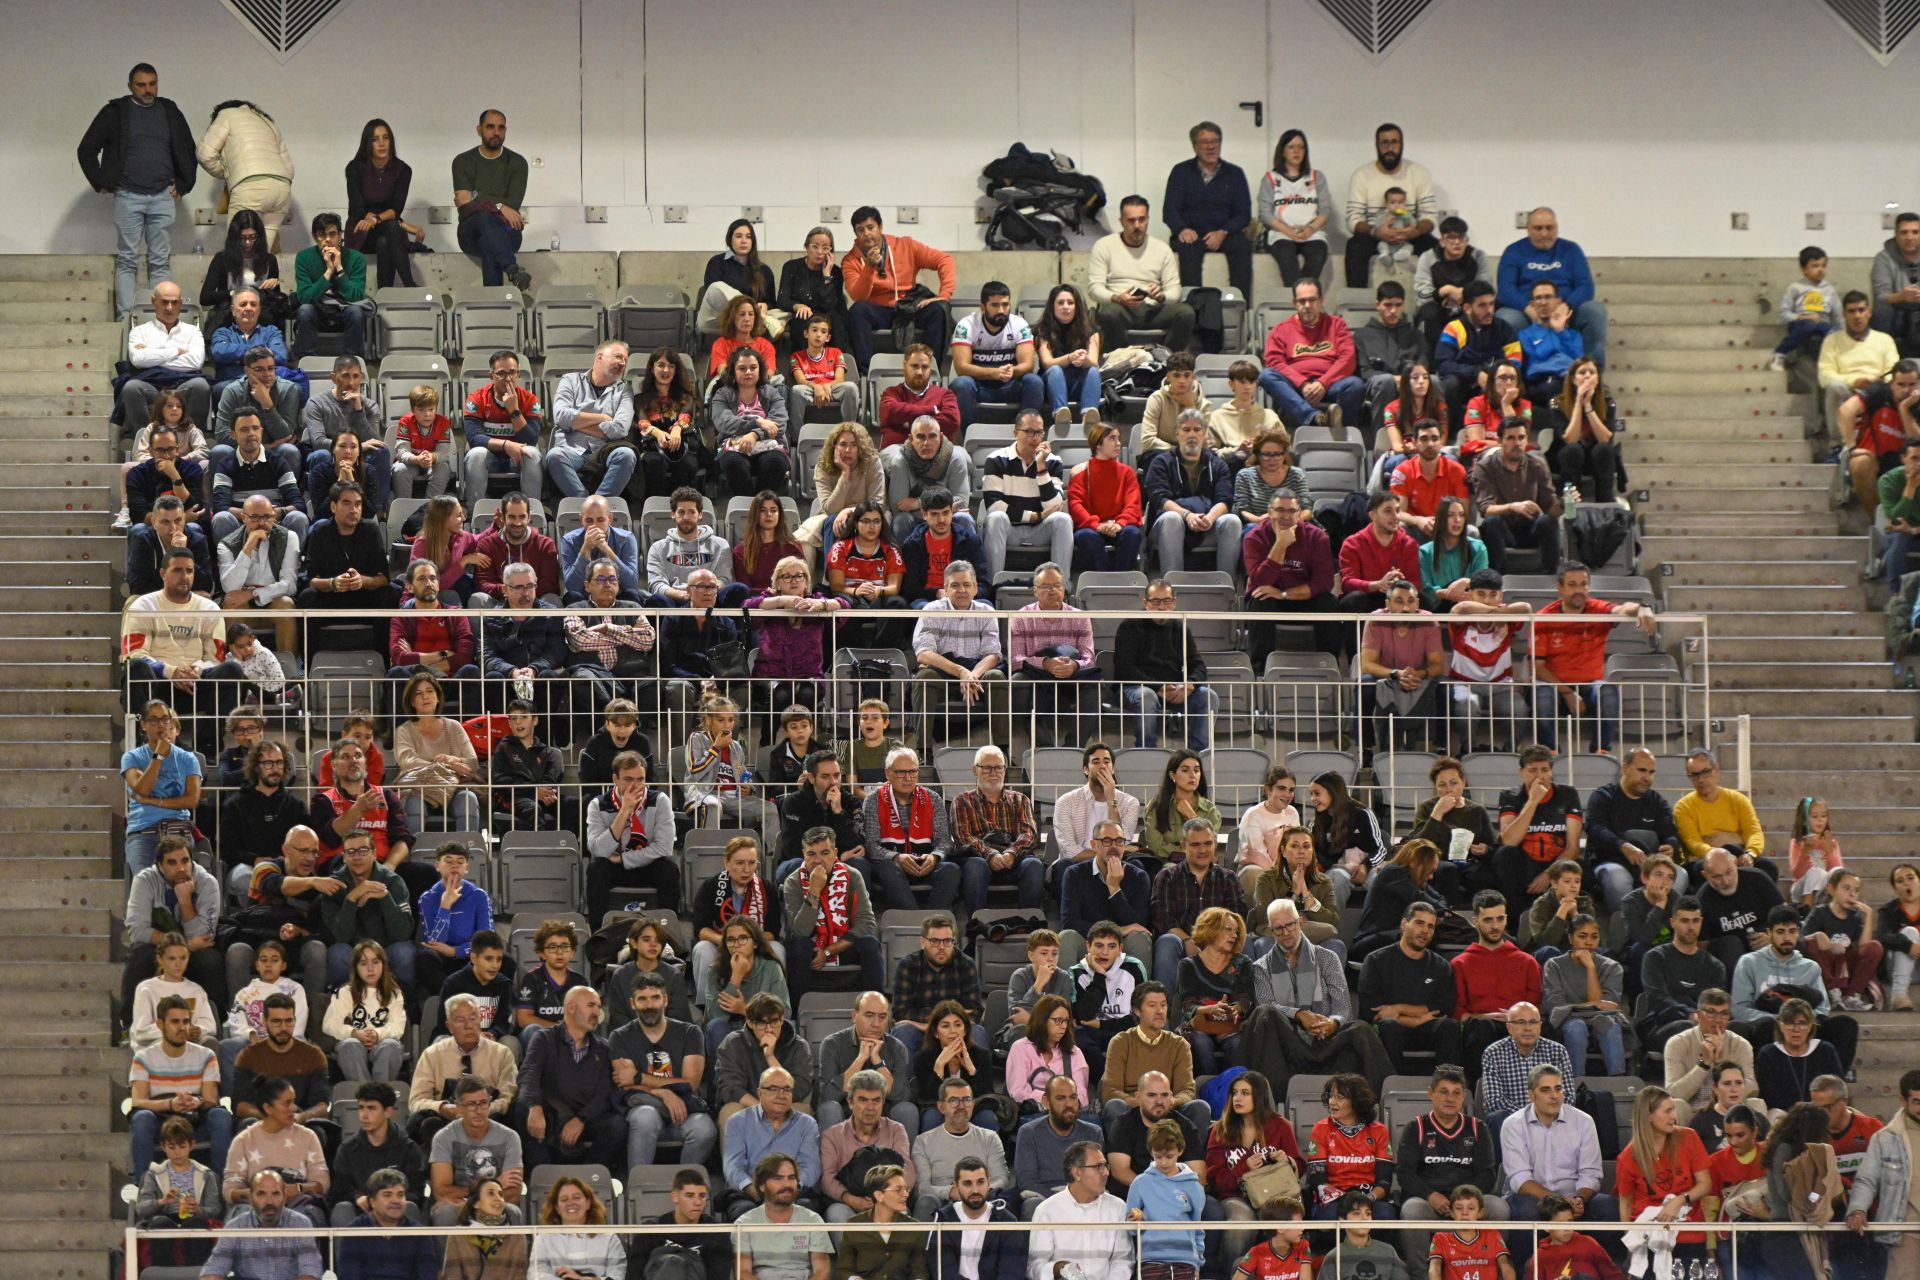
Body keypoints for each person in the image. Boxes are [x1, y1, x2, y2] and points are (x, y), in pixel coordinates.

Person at [80, 63, 197, 318]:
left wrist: (184, 183)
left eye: (152, 83)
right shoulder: (115, 112)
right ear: (130, 86)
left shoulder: (169, 110)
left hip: (163, 196)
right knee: (127, 260)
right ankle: (125, 318)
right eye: (141, 85)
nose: (148, 90)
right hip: (127, 196)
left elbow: (188, 148)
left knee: (160, 261)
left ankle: (160, 318)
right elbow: (87, 149)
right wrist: (101, 181)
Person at [1251, 899, 1393, 1087]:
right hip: (1288, 1042)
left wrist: (1332, 1023)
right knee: (1266, 1014)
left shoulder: (1327, 957)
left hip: (1326, 1039)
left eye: (1290, 925)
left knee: (1360, 1029)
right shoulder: (1261, 967)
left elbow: (1343, 1008)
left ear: (1300, 922)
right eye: (1278, 928)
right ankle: (1275, 1100)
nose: (1286, 933)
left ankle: (1383, 1101)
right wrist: (1300, 1014)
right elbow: (1266, 1005)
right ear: (1270, 931)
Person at [608, 968, 715, 1172]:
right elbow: (627, 1086)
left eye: (655, 998)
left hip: (685, 1109)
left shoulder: (690, 1033)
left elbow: (690, 1084)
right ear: (632, 1004)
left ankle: (684, 1185)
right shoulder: (620, 1037)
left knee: (705, 1129)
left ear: (665, 1000)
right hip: (644, 1108)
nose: (650, 1006)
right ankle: (638, 1189)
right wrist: (665, 1092)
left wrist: (640, 1077)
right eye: (642, 999)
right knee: (645, 1117)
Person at [518, 986, 623, 1171]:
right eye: (591, 1005)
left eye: (599, 1007)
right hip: (551, 1116)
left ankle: (590, 1178)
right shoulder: (544, 1038)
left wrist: (581, 1119)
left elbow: (606, 1093)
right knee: (522, 1109)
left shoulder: (604, 1048)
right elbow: (528, 1075)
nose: (597, 1012)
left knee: (616, 1125)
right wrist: (534, 1107)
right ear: (570, 1008)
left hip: (586, 1117)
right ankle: (542, 1177)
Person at [130, 995, 234, 1181]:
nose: (182, 1028)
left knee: (221, 1116)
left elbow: (210, 1099)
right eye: (175, 1022)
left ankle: (221, 1186)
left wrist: (196, 1101)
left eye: (186, 1021)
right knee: (142, 1118)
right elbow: (138, 1101)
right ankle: (144, 1188)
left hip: (195, 1119)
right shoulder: (143, 1058)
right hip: (161, 1121)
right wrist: (170, 1104)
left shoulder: (206, 1055)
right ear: (160, 1024)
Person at [841, 205, 956, 373]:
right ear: (856, 234)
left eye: (870, 227)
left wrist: (944, 294)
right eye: (860, 230)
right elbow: (858, 295)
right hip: (877, 309)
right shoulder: (850, 260)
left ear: (880, 227)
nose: (866, 233)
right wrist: (869, 268)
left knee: (939, 310)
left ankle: (931, 370)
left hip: (909, 304)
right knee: (858, 310)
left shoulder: (905, 245)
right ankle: (864, 373)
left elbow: (945, 260)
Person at [1357, 902, 1465, 1076]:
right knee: (1389, 1025)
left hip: (1425, 1029)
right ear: (1403, 924)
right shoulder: (1376, 961)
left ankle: (1449, 1085)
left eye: (1431, 926)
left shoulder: (1441, 966)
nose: (1425, 931)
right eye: (1419, 923)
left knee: (1450, 1027)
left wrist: (1398, 1009)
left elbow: (1444, 1007)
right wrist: (1415, 1019)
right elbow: (1374, 1012)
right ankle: (1388, 1087)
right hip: (1390, 1031)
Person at [1500, 1064, 1617, 1223]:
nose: (1554, 1095)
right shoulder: (1513, 1125)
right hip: (1533, 1198)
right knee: (1526, 1211)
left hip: (1574, 1197)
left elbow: (1590, 1173)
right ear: (1531, 1096)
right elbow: (1521, 1179)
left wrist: (1578, 1199)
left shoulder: (1583, 1121)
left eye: (1558, 1089)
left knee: (1607, 1206)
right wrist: (1559, 1202)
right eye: (1545, 1090)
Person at [1496, 209, 1607, 367]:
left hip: (1565, 311)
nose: (1544, 233)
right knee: (1506, 318)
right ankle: (1514, 377)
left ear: (1557, 228)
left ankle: (1593, 374)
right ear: (1528, 228)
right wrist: (1528, 309)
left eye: (1549, 228)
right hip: (1528, 312)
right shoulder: (1514, 251)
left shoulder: (1571, 250)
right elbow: (1505, 290)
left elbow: (1585, 286)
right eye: (1538, 228)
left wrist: (1566, 306)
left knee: (1595, 310)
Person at [1115, 579, 1216, 751]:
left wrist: (1189, 684)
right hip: (1135, 688)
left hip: (1173, 690)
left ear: (1174, 603)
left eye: (1167, 601)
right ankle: (1147, 752)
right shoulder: (1130, 626)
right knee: (1147, 696)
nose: (1161, 607)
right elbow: (1125, 669)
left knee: (1208, 696)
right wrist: (1158, 687)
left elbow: (1198, 665)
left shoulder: (1181, 627)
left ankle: (1197, 756)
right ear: (1145, 603)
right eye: (1155, 601)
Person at [1244, 488, 1340, 668]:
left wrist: (1283, 594)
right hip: (1270, 600)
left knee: (1329, 603)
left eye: (1291, 511)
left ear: (1299, 514)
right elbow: (1259, 581)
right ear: (1270, 512)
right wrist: (1280, 544)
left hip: (1302, 599)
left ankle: (1329, 666)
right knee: (1259, 601)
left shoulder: (1317, 537)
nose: (1286, 516)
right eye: (1280, 510)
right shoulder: (1254, 537)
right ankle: (1259, 671)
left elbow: (1324, 582)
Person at [1089, 194, 1196, 354]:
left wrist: (1161, 296)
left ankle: (1168, 360)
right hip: (1121, 308)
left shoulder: (1162, 249)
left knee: (1186, 312)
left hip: (1154, 309)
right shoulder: (1104, 246)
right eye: (1131, 221)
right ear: (1121, 221)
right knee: (1107, 313)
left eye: (1142, 219)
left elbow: (1175, 290)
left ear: (1148, 219)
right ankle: (1122, 360)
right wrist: (1117, 298)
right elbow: (1094, 288)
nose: (1137, 225)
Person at [1008, 562, 1097, 748]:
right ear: (1035, 590)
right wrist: (1046, 663)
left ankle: (1074, 747)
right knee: (1018, 681)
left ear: (1064, 588)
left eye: (1057, 585)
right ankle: (1044, 747)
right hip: (1036, 674)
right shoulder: (1021, 617)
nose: (1052, 590)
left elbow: (1088, 657)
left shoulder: (1079, 616)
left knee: (1093, 686)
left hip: (1070, 674)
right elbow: (1015, 659)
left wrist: (1074, 665)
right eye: (1046, 586)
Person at [1161, 119, 1254, 296]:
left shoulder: (1235, 173)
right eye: (1204, 142)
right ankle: (1193, 310)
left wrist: (1223, 231)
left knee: (1242, 246)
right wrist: (1181, 229)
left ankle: (1241, 308)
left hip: (1225, 233)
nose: (1210, 146)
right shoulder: (1180, 172)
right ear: (1194, 146)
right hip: (1191, 233)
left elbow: (1244, 214)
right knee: (1188, 249)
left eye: (1215, 141)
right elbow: (1169, 211)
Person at [1260, 278, 1365, 429]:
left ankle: (1340, 428)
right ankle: (1313, 417)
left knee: (1356, 385)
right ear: (1294, 303)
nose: (1307, 306)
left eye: (1312, 300)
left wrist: (1323, 382)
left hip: (1331, 385)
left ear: (1321, 301)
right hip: (1296, 387)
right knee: (1266, 375)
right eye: (1302, 301)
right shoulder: (1281, 330)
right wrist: (1302, 383)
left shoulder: (1336, 325)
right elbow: (1274, 361)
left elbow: (1347, 359)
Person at [1845, 1067, 1920, 1275]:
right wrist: (1857, 1209)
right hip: (1905, 1230)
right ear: (1903, 1101)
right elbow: (1867, 1179)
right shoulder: (1884, 1138)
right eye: (1917, 1101)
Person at [1343, 123, 1437, 289]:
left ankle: (1434, 304)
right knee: (1355, 245)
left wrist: (1414, 231)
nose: (1390, 147)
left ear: (1402, 144)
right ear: (1377, 146)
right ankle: (1356, 305)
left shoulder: (1419, 173)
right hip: (1375, 234)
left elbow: (1429, 217)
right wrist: (1376, 231)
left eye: (1395, 142)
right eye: (1384, 143)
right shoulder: (1361, 175)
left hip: (1411, 232)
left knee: (1435, 247)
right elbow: (1353, 219)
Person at [1100, 994, 1212, 1131]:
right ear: (1137, 1010)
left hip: (1167, 1110)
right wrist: (1139, 1102)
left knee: (1200, 1107)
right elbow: (1110, 1090)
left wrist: (1171, 1101)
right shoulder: (1121, 1042)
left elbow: (1187, 1091)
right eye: (1152, 1005)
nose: (1160, 1011)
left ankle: (1191, 1153)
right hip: (1133, 1109)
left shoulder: (1179, 1044)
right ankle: (1120, 1152)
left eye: (1163, 1005)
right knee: (1114, 1106)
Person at [427, 1073, 525, 1226]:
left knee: (512, 1211)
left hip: (490, 1204)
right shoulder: (444, 1138)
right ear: (458, 1106)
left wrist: (471, 1201)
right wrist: (493, 1186)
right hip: (460, 1205)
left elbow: (512, 1194)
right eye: (471, 1104)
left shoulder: (509, 1137)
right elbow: (441, 1191)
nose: (478, 1110)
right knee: (445, 1213)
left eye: (483, 1103)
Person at [1359, 580, 1446, 753]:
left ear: (1418, 603)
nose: (1406, 608)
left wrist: (1418, 674)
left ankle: (1440, 746)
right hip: (1385, 676)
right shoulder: (1375, 619)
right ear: (1387, 604)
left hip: (1418, 677)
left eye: (1411, 601)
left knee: (1443, 688)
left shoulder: (1428, 621)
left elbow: (1438, 665)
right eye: (1399, 601)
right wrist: (1395, 674)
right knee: (1365, 686)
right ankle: (1365, 747)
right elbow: (1367, 665)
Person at [1028, 1139, 1132, 1280]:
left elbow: (1123, 1260)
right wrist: (1057, 1269)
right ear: (1077, 1173)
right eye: (1098, 1166)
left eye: (1105, 1166)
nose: (1106, 1173)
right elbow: (1036, 1266)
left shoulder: (1118, 1207)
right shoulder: (1047, 1210)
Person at [546, 340, 637, 501]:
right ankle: (585, 502)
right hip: (571, 450)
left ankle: (600, 502)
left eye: (625, 360)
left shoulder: (624, 391)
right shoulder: (570, 381)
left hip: (604, 451)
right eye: (618, 357)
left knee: (626, 454)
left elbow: (620, 429)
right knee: (554, 455)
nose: (622, 363)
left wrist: (575, 424)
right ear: (600, 357)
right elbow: (560, 416)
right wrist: (603, 418)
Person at [911, 1075, 1011, 1220]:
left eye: (966, 1100)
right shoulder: (923, 1141)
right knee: (926, 1202)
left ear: (973, 1104)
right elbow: (922, 1188)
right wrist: (951, 1192)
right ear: (941, 1106)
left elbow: (1002, 1178)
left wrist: (976, 1191)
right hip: (943, 1201)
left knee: (1002, 1203)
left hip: (981, 1198)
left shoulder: (989, 1138)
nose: (961, 1106)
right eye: (953, 1100)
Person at [816, 1040, 913, 1189]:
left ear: (883, 1102)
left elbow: (907, 1172)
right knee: (837, 1213)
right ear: (850, 1102)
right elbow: (828, 1178)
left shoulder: (896, 1130)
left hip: (888, 1198)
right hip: (847, 1200)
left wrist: (887, 1198)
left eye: (876, 1101)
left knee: (902, 1212)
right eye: (863, 1100)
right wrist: (848, 1198)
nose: (870, 1107)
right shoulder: (832, 1135)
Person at [328, 1083, 427, 1228]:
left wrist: (387, 1200)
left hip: (396, 1208)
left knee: (410, 1206)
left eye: (371, 1108)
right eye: (361, 1108)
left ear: (388, 1111)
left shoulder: (408, 1148)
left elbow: (415, 1192)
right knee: (342, 1209)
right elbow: (339, 1191)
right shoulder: (347, 1148)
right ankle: (348, 1251)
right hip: (361, 1211)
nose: (364, 1115)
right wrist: (357, 1198)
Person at [452, 110, 529, 290]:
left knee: (489, 238)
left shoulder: (517, 163)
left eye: (501, 127)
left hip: (508, 233)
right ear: (479, 130)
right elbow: (465, 207)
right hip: (470, 232)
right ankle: (511, 268)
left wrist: (478, 198)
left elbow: (513, 205)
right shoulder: (462, 161)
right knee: (484, 218)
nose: (496, 132)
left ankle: (495, 302)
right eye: (490, 127)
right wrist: (499, 205)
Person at [119, 280, 212, 430]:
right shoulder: (139, 331)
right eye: (164, 302)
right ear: (153, 301)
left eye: (174, 303)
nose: (169, 308)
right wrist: (176, 351)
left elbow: (195, 362)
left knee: (201, 385)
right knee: (131, 387)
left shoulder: (193, 331)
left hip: (183, 385)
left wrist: (151, 352)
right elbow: (138, 360)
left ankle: (191, 438)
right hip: (151, 385)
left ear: (181, 303)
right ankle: (146, 439)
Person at [1060, 827, 1155, 971]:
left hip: (1121, 945)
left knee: (1140, 938)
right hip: (1088, 942)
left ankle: (1140, 993)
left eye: (1119, 841)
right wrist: (1117, 930)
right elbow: (1070, 922)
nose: (1114, 847)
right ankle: (1064, 993)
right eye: (1107, 841)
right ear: (1094, 845)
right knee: (1066, 937)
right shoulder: (1074, 874)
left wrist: (1114, 888)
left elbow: (1138, 923)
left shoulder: (1138, 876)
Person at [950, 281, 1044, 427]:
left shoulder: (1019, 324)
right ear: (982, 307)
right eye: (995, 305)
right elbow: (961, 367)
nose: (1001, 310)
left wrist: (1012, 371)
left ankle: (1025, 432)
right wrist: (994, 373)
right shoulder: (966, 325)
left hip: (1010, 384)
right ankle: (970, 434)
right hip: (979, 386)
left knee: (1034, 381)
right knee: (961, 384)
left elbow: (1028, 364)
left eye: (1005, 305)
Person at [1303, 1074, 1396, 1220]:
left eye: (1340, 1097)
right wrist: (1346, 1201)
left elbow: (1384, 1181)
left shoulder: (1378, 1130)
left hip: (1369, 1197)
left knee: (1385, 1214)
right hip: (1334, 1199)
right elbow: (1317, 1178)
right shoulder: (1321, 1129)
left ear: (1356, 1101)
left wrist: (1368, 1199)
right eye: (1330, 1096)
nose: (1332, 1102)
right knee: (1329, 1216)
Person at [200, 1170, 323, 1280]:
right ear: (251, 1196)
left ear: (285, 1196)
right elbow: (213, 1270)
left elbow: (310, 1272)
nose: (269, 1201)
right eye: (261, 1194)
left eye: (275, 1194)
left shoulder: (301, 1224)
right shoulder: (235, 1227)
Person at [1817, 291, 1898, 457]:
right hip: (1847, 390)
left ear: (1869, 312)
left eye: (1861, 310)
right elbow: (1824, 375)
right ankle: (1836, 446)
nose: (1857, 316)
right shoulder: (1832, 341)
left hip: (1878, 391)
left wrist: (1877, 384)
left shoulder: (1884, 340)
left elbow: (1894, 370)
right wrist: (1854, 381)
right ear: (1844, 315)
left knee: (1901, 385)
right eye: (1852, 311)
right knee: (1832, 387)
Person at [1126, 1117, 1210, 1277]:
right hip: (1150, 1259)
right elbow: (1130, 1227)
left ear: (1180, 1150)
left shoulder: (1194, 1186)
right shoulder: (1140, 1183)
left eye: (1169, 1156)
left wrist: (1198, 1262)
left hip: (1185, 1260)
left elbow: (1197, 1227)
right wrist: (1135, 1221)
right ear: (1151, 1152)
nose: (1164, 1162)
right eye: (1158, 1156)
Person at [1675, 758, 1774, 892]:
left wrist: (1750, 853)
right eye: (1694, 775)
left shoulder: (1738, 800)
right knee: (1701, 870)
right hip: (1706, 857)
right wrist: (1716, 853)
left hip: (1739, 854)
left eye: (1705, 772)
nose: (1701, 780)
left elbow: (1754, 831)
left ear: (1716, 769)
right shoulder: (1683, 807)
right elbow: (1693, 841)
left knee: (1767, 867)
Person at [1475, 1001, 1573, 1134]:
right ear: (1509, 1027)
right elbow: (1494, 1101)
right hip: (1512, 1124)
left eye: (1533, 1022)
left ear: (1540, 1026)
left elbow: (1568, 1097)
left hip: (1550, 1120)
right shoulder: (1493, 1052)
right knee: (1497, 1117)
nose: (1528, 1028)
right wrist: (1529, 1118)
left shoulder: (1557, 1051)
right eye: (1521, 1022)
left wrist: (1542, 1117)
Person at [460, 349, 544, 504]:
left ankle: (533, 512)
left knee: (531, 452)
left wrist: (514, 411)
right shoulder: (477, 398)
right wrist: (506, 445)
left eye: (512, 372)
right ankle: (473, 512)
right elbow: (473, 438)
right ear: (491, 376)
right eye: (501, 373)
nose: (508, 378)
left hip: (517, 459)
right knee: (476, 454)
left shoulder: (530, 400)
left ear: (518, 374)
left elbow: (530, 440)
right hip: (489, 458)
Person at [703, 918, 791, 1061]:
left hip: (763, 1029)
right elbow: (714, 1017)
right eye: (731, 940)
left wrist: (744, 1009)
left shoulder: (771, 968)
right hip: (728, 1032)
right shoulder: (715, 971)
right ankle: (723, 1082)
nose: (736, 944)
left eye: (743, 938)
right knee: (716, 1026)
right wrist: (736, 977)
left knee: (787, 1027)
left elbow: (785, 1013)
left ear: (755, 943)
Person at [1840, 359, 1920, 515]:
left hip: (1913, 462)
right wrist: (1851, 447)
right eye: (1901, 385)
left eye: (1912, 385)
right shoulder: (1878, 392)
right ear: (1891, 383)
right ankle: (1877, 521)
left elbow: (1916, 443)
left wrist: (1904, 409)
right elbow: (1846, 410)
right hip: (1878, 460)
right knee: (1859, 463)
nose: (1906, 390)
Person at [323, 940, 408, 1082]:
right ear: (355, 968)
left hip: (381, 1043)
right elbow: (329, 1024)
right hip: (354, 1043)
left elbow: (397, 1027)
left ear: (383, 965)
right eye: (363, 963)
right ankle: (364, 1095)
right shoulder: (346, 992)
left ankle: (381, 1095)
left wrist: (377, 1034)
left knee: (391, 1046)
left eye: (375, 962)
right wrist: (354, 1033)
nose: (370, 968)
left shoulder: (395, 994)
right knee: (350, 1045)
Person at [1259, 128, 1334, 289]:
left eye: (1301, 147)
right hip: (1281, 233)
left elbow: (1325, 210)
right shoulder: (1271, 178)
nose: (1296, 151)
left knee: (1318, 253)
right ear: (1283, 151)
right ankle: (1296, 301)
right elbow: (1265, 214)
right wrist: (1288, 231)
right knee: (1286, 256)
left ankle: (1306, 296)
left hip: (1311, 232)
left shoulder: (1316, 177)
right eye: (1291, 147)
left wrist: (1310, 228)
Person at [1068, 419, 1146, 573]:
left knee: (1132, 533)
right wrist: (1097, 525)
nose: (1118, 443)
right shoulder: (1080, 473)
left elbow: (1133, 504)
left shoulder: (1127, 473)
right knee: (1085, 536)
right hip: (1093, 527)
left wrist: (1120, 523)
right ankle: (1102, 579)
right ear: (1098, 444)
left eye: (1118, 438)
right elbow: (1076, 505)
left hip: (1120, 526)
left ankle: (1120, 578)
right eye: (1112, 438)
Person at [734, 1152, 832, 1275]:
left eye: (791, 1178)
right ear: (762, 1186)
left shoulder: (813, 1220)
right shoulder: (744, 1224)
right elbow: (743, 1273)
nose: (787, 1184)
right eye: (778, 1178)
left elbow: (822, 1271)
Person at [932, 1155, 1028, 1279]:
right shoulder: (943, 1220)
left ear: (989, 1183)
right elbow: (943, 1271)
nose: (975, 1190)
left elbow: (1012, 1272)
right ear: (956, 1186)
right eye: (967, 1184)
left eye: (980, 1182)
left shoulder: (1007, 1222)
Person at [291, 212, 371, 357]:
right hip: (318, 309)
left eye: (332, 234)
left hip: (344, 309)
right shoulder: (304, 257)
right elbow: (304, 297)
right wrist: (328, 271)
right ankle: (308, 360)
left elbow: (356, 296)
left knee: (356, 312)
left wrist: (339, 268)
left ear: (340, 236)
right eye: (322, 235)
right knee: (305, 310)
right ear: (315, 237)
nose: (327, 239)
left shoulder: (356, 258)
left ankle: (352, 361)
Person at [1803, 870, 1883, 1012]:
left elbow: (1864, 947)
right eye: (1846, 889)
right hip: (1827, 966)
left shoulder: (1855, 916)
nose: (1852, 894)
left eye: (1856, 890)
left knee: (1874, 947)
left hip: (1846, 966)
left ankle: (1851, 995)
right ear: (1831, 889)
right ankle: (1833, 993)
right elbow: (1802, 939)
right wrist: (1819, 936)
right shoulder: (1820, 912)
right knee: (1812, 940)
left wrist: (1869, 915)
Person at [633, 345, 709, 495]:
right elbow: (642, 422)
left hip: (680, 441)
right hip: (652, 443)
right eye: (661, 365)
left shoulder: (685, 396)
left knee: (689, 464)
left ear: (676, 370)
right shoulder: (640, 398)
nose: (666, 370)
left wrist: (676, 430)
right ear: (652, 368)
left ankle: (676, 504)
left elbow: (686, 416)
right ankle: (654, 505)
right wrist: (658, 434)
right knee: (653, 462)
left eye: (671, 366)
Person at [1339, 490, 1422, 623]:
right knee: (1355, 599)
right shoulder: (1352, 543)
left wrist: (1400, 586)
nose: (1396, 517)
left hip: (1398, 599)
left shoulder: (1409, 544)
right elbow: (1347, 583)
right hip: (1368, 598)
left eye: (1397, 510)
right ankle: (1357, 645)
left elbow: (1416, 582)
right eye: (1388, 511)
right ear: (1373, 515)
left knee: (1422, 600)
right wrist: (1376, 585)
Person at [1414, 216, 1490, 350]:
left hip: (1469, 305)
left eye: (1461, 238)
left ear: (1466, 240)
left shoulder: (1478, 256)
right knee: (1428, 312)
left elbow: (1487, 289)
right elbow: (1421, 295)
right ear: (1442, 241)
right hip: (1438, 307)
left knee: (1484, 309)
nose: (1457, 243)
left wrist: (1462, 295)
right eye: (1451, 238)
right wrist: (1443, 292)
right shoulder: (1428, 257)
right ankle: (1433, 364)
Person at [699, 216, 778, 336]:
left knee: (782, 313)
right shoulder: (717, 262)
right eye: (738, 236)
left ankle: (758, 316)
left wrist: (765, 305)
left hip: (751, 320)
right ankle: (758, 316)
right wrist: (750, 308)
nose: (744, 241)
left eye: (748, 237)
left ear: (753, 241)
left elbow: (771, 302)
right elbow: (713, 295)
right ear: (730, 239)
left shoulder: (764, 270)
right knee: (716, 286)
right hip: (719, 319)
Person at [1393, 421, 1471, 542]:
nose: (1430, 444)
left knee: (1472, 532)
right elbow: (1398, 512)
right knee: (1399, 528)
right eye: (1424, 439)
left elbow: (1463, 512)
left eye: (1435, 439)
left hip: (1448, 526)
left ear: (1441, 443)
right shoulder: (1402, 471)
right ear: (1415, 443)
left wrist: (1443, 524)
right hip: (1416, 527)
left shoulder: (1457, 470)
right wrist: (1418, 520)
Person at [779, 225, 851, 355]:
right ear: (806, 247)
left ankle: (839, 363)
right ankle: (802, 364)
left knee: (836, 321)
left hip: (827, 315)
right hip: (802, 316)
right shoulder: (791, 267)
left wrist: (827, 275)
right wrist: (798, 306)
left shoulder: (835, 272)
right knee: (804, 321)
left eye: (825, 248)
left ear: (830, 252)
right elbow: (782, 299)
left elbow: (830, 304)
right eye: (815, 246)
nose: (819, 252)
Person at [877, 344, 960, 448]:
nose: (920, 372)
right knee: (895, 459)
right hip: (899, 449)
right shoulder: (891, 393)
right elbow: (889, 412)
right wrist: (931, 410)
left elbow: (951, 421)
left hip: (938, 452)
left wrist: (908, 421)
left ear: (930, 368)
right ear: (904, 365)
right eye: (915, 366)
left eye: (925, 367)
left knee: (961, 456)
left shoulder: (946, 395)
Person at [1873, 210, 1920, 354]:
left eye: (1915, 232)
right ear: (1896, 235)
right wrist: (1901, 296)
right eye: (1904, 232)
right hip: (1895, 314)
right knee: (1882, 308)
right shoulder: (1883, 258)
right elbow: (1881, 295)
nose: (1910, 237)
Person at [1879, 863, 1920, 1011]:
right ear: (1896, 889)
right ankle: (1898, 996)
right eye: (1900, 881)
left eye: (1910, 878)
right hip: (1896, 966)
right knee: (1910, 932)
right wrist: (1908, 945)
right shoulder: (1888, 910)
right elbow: (1882, 937)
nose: (1906, 883)